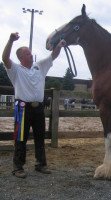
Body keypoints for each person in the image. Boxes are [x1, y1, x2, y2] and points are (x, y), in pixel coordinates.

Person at [2, 32, 66, 178]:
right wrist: (11, 40)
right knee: (20, 138)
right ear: (21, 58)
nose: (31, 55)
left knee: (40, 137)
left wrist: (59, 46)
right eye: (28, 54)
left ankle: (41, 164)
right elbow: (5, 58)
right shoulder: (15, 70)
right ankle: (18, 167)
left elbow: (53, 56)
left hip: (38, 109)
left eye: (30, 53)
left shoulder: (39, 67)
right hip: (22, 108)